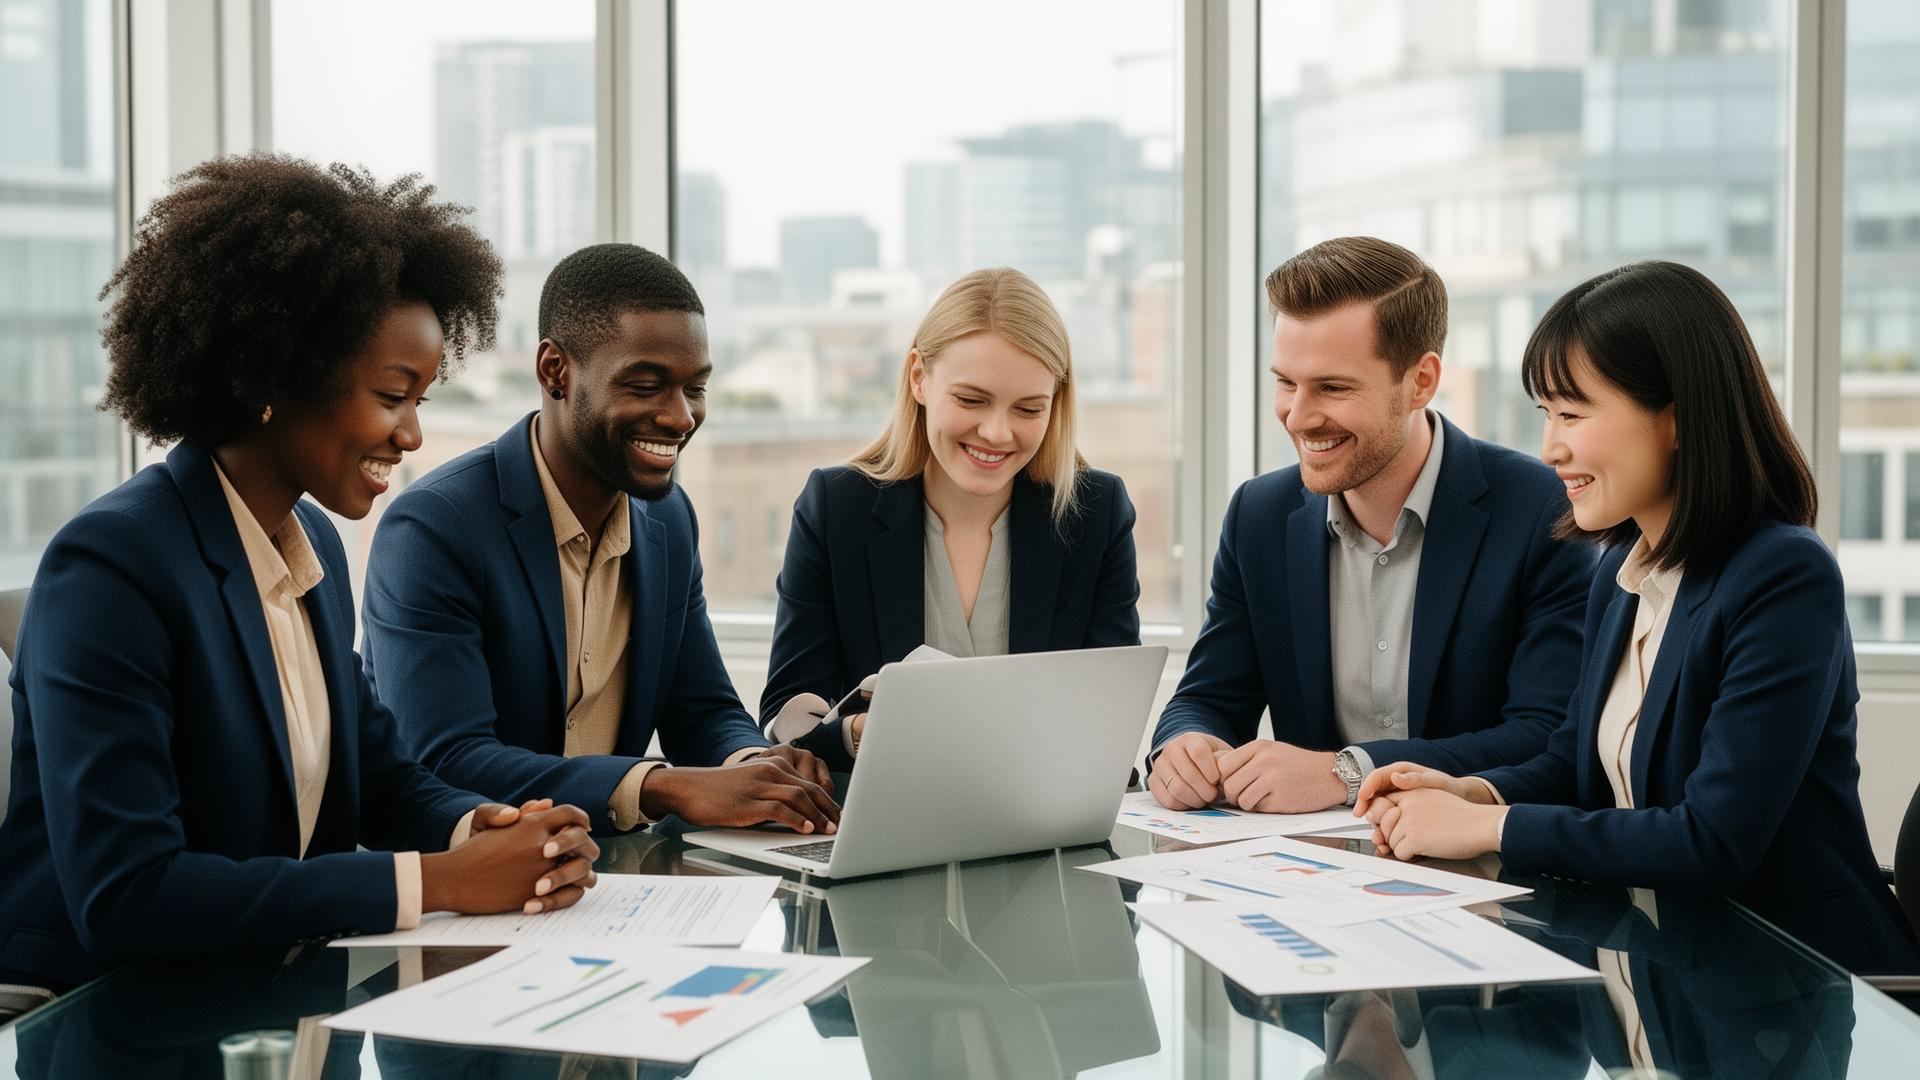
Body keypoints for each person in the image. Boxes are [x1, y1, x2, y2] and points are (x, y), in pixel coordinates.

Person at [0, 155, 599, 998]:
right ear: (275, 379)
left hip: (267, 989)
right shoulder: (110, 569)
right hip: (102, 1009)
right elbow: (129, 895)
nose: (414, 435)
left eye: (422, 398)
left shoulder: (306, 539)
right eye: (394, 395)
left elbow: (377, 773)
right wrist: (440, 881)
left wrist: (484, 827)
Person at [1355, 260, 1920, 975]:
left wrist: (1487, 826)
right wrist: (1475, 791)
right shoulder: (1623, 575)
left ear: (1676, 418)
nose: (1550, 448)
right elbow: (1575, 761)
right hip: (1655, 965)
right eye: (1546, 416)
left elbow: (1713, 840)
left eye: (1573, 413)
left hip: (1785, 986)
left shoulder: (1782, 575)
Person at [362, 243, 837, 837]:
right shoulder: (434, 527)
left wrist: (756, 767)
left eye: (696, 388)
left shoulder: (667, 522)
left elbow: (705, 710)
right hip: (467, 890)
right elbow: (446, 760)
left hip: (611, 886)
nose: (681, 417)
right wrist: (661, 785)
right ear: (554, 370)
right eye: (645, 386)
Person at [1148, 236, 1592, 815]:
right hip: (1305, 870)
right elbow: (1208, 697)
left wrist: (1347, 772)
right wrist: (1183, 744)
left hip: (1487, 871)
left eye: (1332, 387)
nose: (1299, 416)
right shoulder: (1258, 516)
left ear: (1421, 381)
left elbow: (1547, 734)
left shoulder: (1540, 510)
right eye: (1286, 382)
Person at [759, 267, 1141, 771]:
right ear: (919, 377)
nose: (997, 432)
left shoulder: (1096, 513)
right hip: (882, 821)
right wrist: (858, 731)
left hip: (1041, 823)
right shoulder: (836, 508)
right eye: (971, 400)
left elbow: (1108, 720)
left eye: (1028, 409)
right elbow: (787, 717)